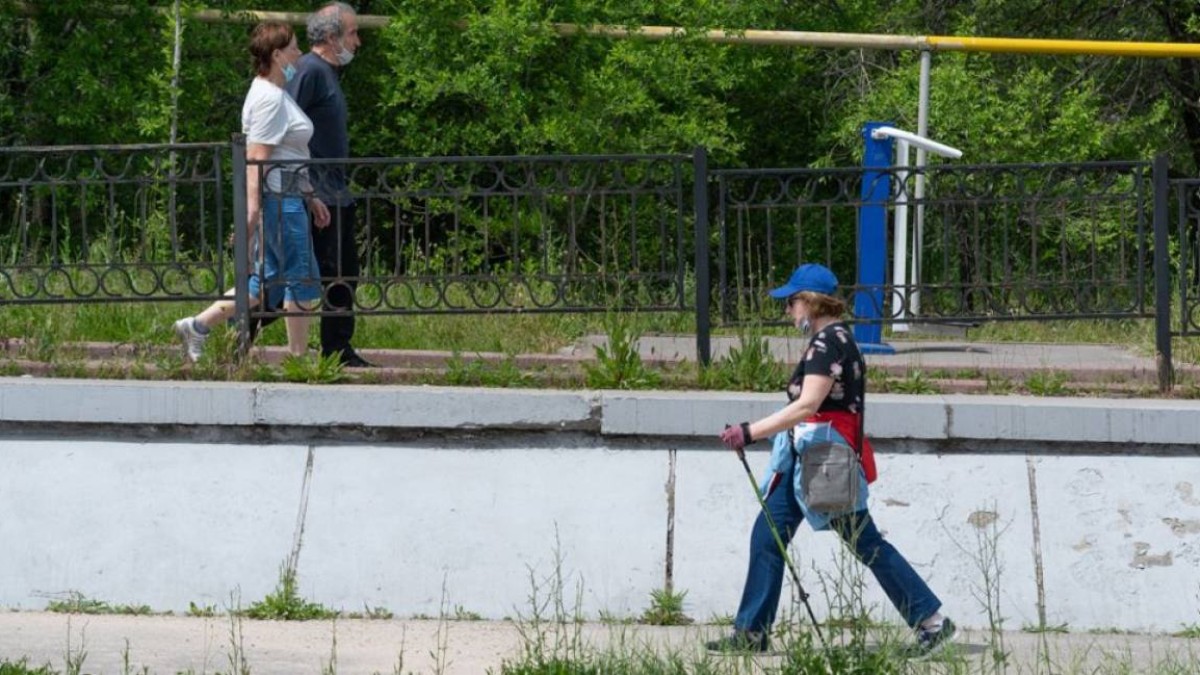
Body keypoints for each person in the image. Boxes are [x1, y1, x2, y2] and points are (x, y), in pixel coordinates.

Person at [708, 263, 956, 656]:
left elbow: (807, 405)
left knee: (865, 541)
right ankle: (752, 632)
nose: (788, 310)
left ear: (810, 302)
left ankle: (932, 622)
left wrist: (750, 431)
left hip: (824, 462)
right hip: (807, 459)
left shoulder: (827, 344)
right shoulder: (837, 339)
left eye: (791, 302)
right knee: (768, 535)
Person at [173, 22, 330, 362]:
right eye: (294, 47)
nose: (299, 53)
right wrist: (253, 212)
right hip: (280, 203)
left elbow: (286, 155)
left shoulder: (272, 93)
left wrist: (310, 195)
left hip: (286, 197)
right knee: (301, 278)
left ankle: (196, 326)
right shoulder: (270, 99)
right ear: (277, 55)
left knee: (266, 280)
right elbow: (256, 160)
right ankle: (299, 360)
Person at [284, 2, 372, 368]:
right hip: (318, 192)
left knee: (343, 272)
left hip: (334, 191)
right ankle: (237, 328)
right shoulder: (309, 70)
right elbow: (283, 122)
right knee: (320, 273)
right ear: (332, 37)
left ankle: (337, 349)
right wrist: (304, 186)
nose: (357, 42)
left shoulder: (326, 73)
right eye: (352, 33)